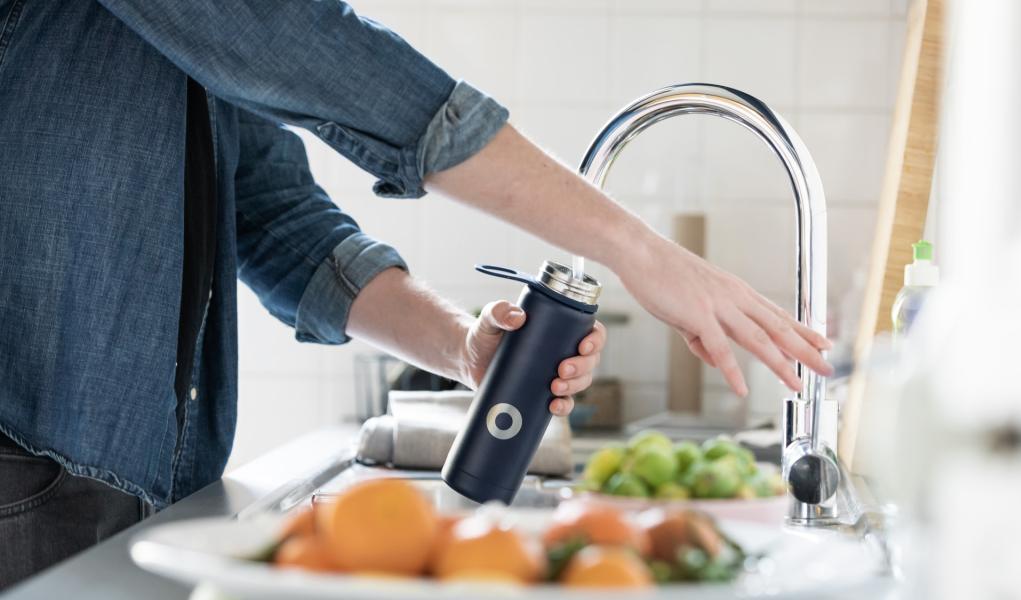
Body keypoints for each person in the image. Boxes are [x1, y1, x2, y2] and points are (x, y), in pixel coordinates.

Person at [0, 0, 832, 588]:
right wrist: (636, 249)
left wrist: (462, 345)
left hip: (127, 479)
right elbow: (313, 52)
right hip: (23, 465)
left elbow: (273, 214)